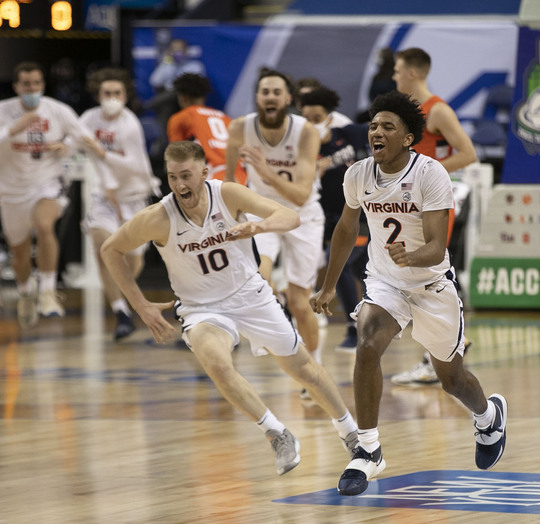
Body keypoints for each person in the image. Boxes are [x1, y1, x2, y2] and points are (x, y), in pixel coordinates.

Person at [100, 141, 359, 475]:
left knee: (304, 369)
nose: (179, 185)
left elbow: (290, 216)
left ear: (204, 173)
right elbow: (110, 249)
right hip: (201, 308)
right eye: (172, 177)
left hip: (251, 295)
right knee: (217, 365)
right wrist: (140, 306)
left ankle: (350, 431)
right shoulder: (158, 217)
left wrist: (259, 226)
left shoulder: (228, 194)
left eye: (186, 176)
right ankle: (276, 433)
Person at [310, 91, 507, 496]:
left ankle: (488, 416)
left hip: (432, 284)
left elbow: (437, 246)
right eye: (373, 126)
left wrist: (410, 255)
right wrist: (329, 284)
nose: (376, 132)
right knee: (367, 344)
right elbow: (346, 229)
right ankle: (368, 451)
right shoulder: (358, 174)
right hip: (386, 282)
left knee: (451, 380)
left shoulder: (431, 173)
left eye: (387, 127)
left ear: (407, 139)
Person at [225, 68, 325, 399]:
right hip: (262, 214)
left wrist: (266, 172)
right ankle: (267, 310)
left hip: (302, 217)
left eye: (276, 92)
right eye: (264, 91)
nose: (270, 96)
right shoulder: (240, 127)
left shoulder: (305, 132)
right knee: (259, 278)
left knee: (300, 304)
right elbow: (229, 182)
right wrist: (228, 217)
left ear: (287, 99)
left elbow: (299, 195)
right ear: (257, 98)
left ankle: (315, 363)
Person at [391, 47, 478, 386]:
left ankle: (437, 354)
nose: (395, 76)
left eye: (398, 70)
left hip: (434, 202)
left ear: (412, 73)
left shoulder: (437, 109)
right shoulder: (406, 111)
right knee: (415, 275)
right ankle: (450, 343)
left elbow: (469, 153)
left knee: (429, 272)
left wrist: (427, 172)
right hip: (409, 204)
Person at [0, 61, 109, 329]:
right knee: (20, 253)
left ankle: (48, 292)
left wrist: (67, 145)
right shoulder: (4, 111)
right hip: (11, 189)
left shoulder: (58, 110)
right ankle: (27, 293)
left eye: (37, 83)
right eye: (26, 84)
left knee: (45, 224)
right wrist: (14, 128)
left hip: (48, 183)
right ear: (16, 87)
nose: (32, 88)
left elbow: (84, 137)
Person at [79, 67, 162, 341]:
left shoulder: (130, 124)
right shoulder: (89, 118)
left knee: (131, 259)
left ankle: (125, 297)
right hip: (103, 197)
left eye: (117, 93)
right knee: (104, 250)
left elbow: (136, 167)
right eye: (107, 93)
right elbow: (74, 140)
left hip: (133, 196)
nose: (112, 97)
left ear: (125, 96)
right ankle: (121, 313)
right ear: (98, 95)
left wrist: (103, 153)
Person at [299, 86, 370, 352]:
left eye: (316, 118)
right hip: (328, 220)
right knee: (361, 269)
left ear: (329, 117)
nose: (311, 124)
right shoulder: (301, 150)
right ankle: (374, 321)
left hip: (361, 216)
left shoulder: (350, 134)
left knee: (336, 264)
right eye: (306, 119)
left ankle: (355, 328)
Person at [168, 73, 247, 184]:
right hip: (243, 176)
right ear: (204, 96)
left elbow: (176, 159)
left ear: (182, 97)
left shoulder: (181, 118)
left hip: (214, 178)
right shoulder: (226, 118)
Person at [147, 38, 206, 147]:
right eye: (174, 49)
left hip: (187, 99)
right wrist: (167, 63)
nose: (177, 52)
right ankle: (166, 145)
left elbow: (193, 85)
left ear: (186, 51)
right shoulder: (167, 65)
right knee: (166, 106)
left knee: (176, 91)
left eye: (180, 49)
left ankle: (147, 105)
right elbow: (154, 81)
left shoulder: (194, 65)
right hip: (170, 102)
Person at [356, 48, 397, 123]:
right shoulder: (376, 77)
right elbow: (370, 94)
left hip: (392, 110)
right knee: (360, 118)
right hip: (376, 108)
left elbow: (396, 95)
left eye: (380, 57)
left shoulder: (395, 77)